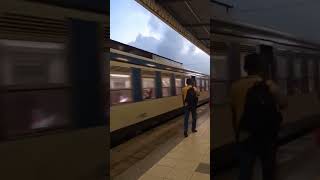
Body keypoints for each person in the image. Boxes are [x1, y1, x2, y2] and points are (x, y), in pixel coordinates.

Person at [230, 53, 287, 180]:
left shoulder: (235, 87)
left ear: (245, 68)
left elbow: (234, 113)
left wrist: (237, 135)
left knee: (245, 171)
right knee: (269, 170)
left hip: (245, 135)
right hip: (267, 136)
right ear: (261, 68)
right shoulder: (270, 85)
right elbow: (284, 104)